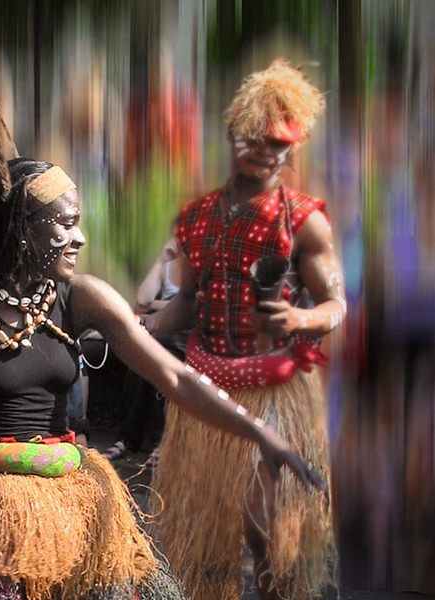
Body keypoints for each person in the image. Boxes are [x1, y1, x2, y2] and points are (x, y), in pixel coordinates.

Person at [0, 93, 324, 599]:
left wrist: (263, 434)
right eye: (64, 223)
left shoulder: (83, 298)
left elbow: (176, 379)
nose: (79, 237)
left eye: (78, 220)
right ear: (21, 230)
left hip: (68, 501)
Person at [147, 59, 343, 600]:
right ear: (233, 136)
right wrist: (142, 326)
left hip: (275, 390)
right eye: (255, 138)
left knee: (265, 534)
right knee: (207, 543)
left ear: (292, 149)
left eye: (278, 143)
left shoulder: (305, 221)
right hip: (206, 385)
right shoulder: (197, 217)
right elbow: (186, 302)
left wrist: (301, 318)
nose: (265, 151)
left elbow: (335, 305)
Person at [103, 235, 188, 464]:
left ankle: (164, 443)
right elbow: (142, 301)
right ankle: (126, 439)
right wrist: (161, 260)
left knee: (168, 365)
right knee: (138, 363)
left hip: (187, 342)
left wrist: (157, 306)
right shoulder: (168, 265)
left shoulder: (202, 265)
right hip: (159, 336)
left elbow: (192, 304)